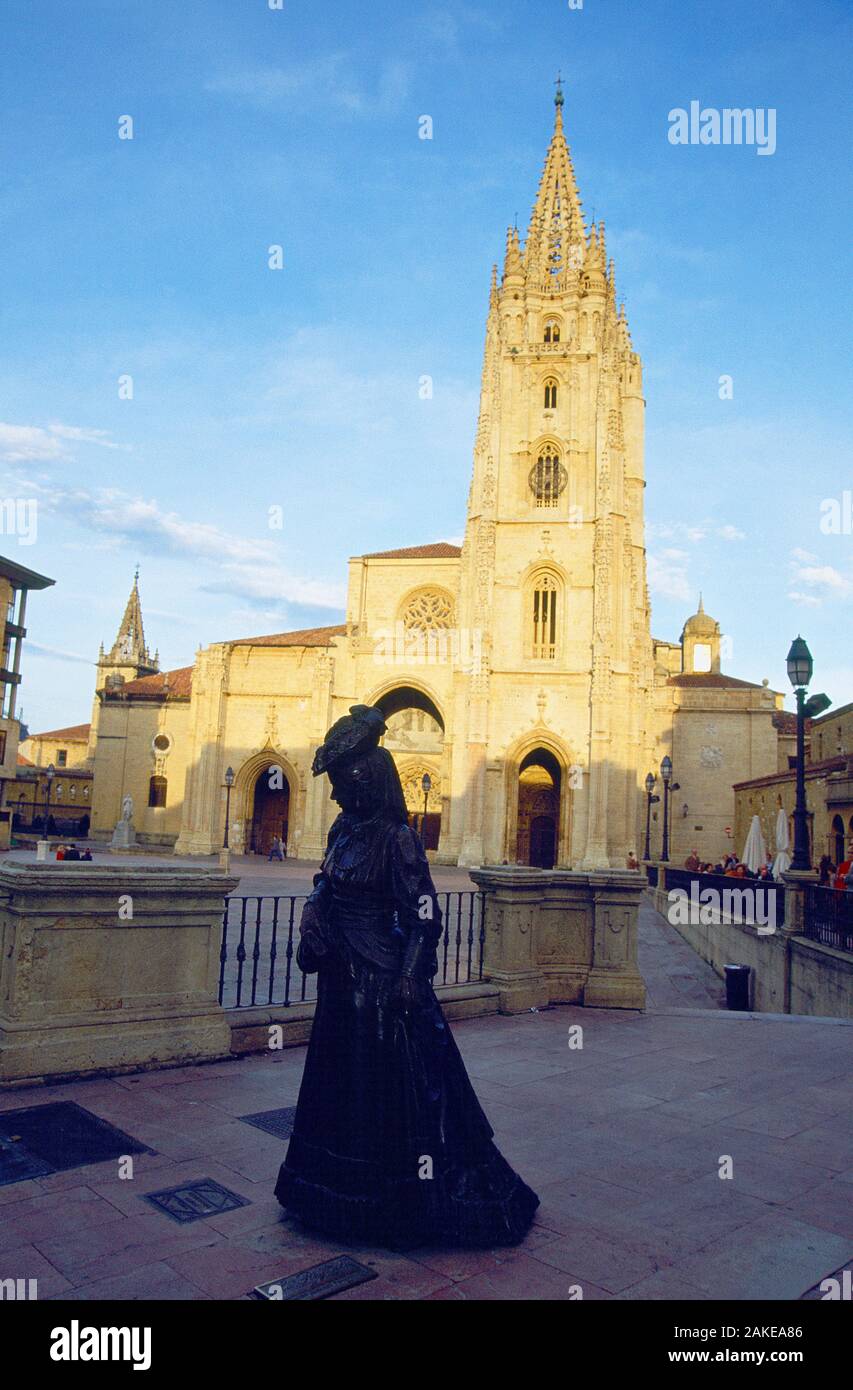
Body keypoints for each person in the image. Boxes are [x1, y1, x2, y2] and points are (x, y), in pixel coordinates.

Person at [274, 703, 539, 1250]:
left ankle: (395, 1206)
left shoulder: (397, 839)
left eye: (344, 784)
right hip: (341, 980)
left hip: (379, 982)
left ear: (368, 781)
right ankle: (329, 1192)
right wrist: (313, 913)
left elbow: (424, 914)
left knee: (388, 1091)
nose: (336, 795)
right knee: (340, 1081)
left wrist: (409, 978)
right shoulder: (344, 830)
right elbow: (326, 883)